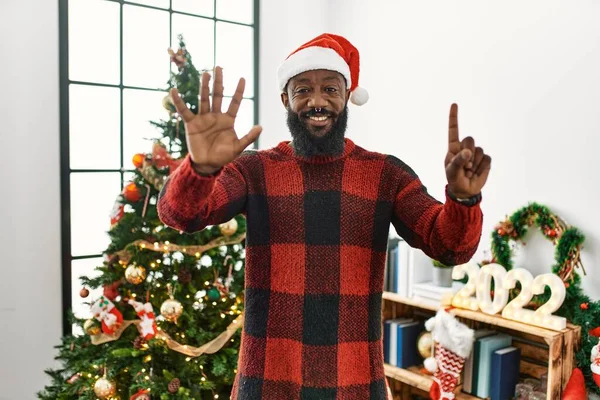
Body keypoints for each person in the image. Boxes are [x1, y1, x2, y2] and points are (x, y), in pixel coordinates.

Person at [157, 33, 491, 400]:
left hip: (355, 386)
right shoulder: (253, 170)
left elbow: (449, 247)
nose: (317, 101)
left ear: (347, 96)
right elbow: (180, 215)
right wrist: (200, 170)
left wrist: (463, 199)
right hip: (266, 382)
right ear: (286, 99)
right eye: (303, 90)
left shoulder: (386, 175)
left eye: (330, 89)